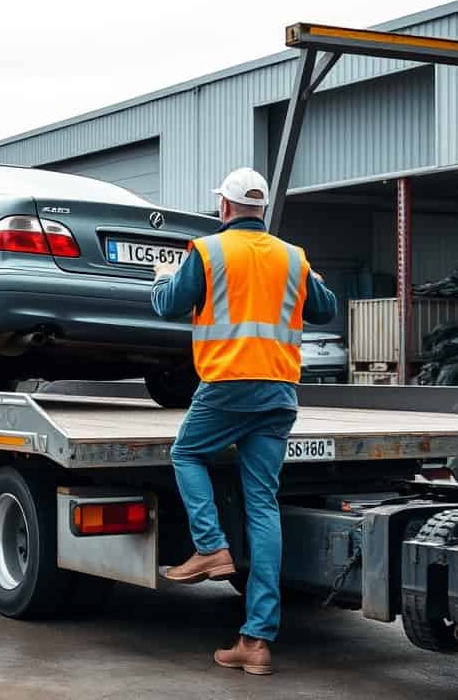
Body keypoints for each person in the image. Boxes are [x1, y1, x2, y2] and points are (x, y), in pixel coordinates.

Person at [150, 167, 336, 676]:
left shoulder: (207, 251)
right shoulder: (294, 257)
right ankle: (255, 642)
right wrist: (308, 281)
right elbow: (326, 309)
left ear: (225, 208)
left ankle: (210, 547)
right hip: (279, 392)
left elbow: (168, 306)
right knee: (262, 504)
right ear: (262, 209)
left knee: (186, 453)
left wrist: (163, 279)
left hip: (229, 384)